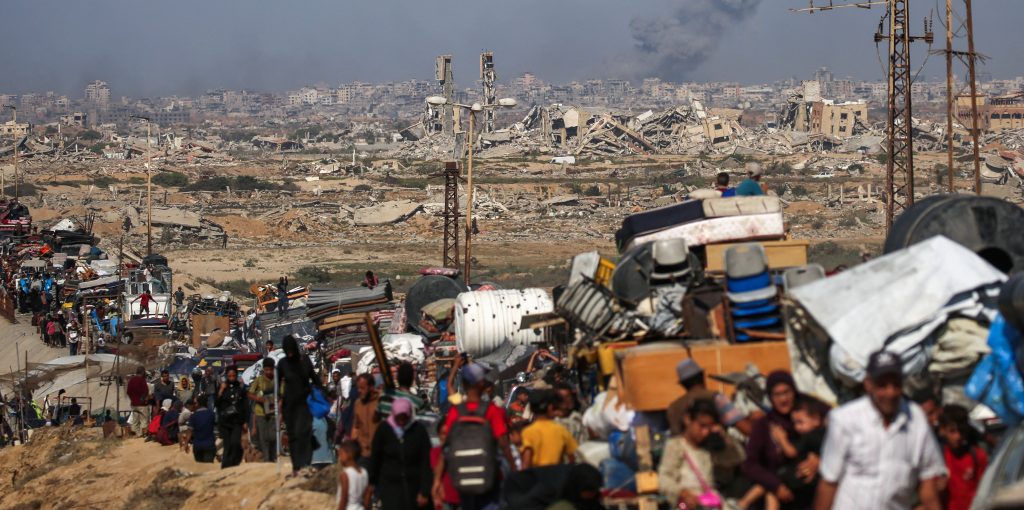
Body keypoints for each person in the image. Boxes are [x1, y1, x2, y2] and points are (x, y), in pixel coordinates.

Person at [815, 350, 946, 510]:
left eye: (896, 384)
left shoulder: (916, 419)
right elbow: (829, 482)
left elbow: (927, 481)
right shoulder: (845, 420)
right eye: (882, 385)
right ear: (868, 384)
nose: (890, 393)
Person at [433, 363, 518, 510]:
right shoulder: (492, 411)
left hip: (464, 480)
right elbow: (504, 445)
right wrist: (514, 471)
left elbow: (446, 447)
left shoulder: (456, 412)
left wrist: (437, 480)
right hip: (490, 479)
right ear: (480, 384)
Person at [740, 396, 829, 510]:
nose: (797, 427)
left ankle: (742, 503)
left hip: (799, 475)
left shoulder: (810, 436)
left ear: (816, 420)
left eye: (801, 422)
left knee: (771, 485)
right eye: (795, 423)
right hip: (804, 478)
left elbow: (791, 452)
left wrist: (781, 439)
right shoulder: (823, 433)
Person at [743, 370, 800, 506]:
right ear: (770, 397)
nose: (783, 399)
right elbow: (750, 465)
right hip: (775, 490)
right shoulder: (762, 425)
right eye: (777, 394)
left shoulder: (803, 418)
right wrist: (775, 485)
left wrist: (815, 460)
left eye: (787, 392)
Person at [367, 398, 432, 510]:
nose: (401, 421)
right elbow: (376, 457)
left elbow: (426, 461)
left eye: (404, 417)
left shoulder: (418, 430)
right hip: (390, 487)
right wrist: (371, 482)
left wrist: (425, 491)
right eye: (399, 417)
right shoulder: (384, 429)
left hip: (414, 487)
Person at [658, 399, 722, 508]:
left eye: (709, 428)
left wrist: (724, 437)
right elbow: (664, 479)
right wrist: (683, 493)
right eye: (702, 426)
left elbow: (737, 458)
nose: (705, 432)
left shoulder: (708, 449)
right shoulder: (676, 446)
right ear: (687, 420)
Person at [279, 334, 320, 475]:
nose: (289, 353)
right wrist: (278, 402)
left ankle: (306, 463)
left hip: (304, 404)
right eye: (287, 350)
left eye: (291, 349)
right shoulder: (283, 363)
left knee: (304, 433)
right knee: (293, 435)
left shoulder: (304, 360)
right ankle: (296, 466)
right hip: (289, 406)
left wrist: (323, 394)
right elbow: (278, 386)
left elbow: (315, 379)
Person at [938, 405, 987, 510]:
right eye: (952, 431)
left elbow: (985, 489)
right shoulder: (938, 458)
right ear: (942, 431)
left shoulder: (978, 455)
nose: (958, 436)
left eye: (961, 431)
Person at [521, 389, 578, 468]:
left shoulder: (528, 432)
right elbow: (572, 456)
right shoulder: (560, 429)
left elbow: (526, 462)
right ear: (550, 408)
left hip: (539, 477)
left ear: (531, 410)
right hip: (559, 474)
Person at [248, 358, 280, 462]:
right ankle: (266, 459)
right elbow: (250, 393)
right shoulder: (259, 380)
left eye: (270, 370)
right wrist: (259, 399)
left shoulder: (276, 381)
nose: (268, 372)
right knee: (263, 437)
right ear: (264, 369)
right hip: (260, 413)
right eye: (266, 369)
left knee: (273, 436)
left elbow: (282, 395)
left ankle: (272, 456)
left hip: (273, 413)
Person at [216, 365, 248, 469]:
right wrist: (221, 391)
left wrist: (245, 421)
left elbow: (245, 405)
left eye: (233, 376)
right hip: (225, 422)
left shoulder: (240, 387)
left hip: (236, 421)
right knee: (227, 445)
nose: (232, 378)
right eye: (229, 376)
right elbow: (217, 404)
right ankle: (226, 466)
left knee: (235, 443)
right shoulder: (222, 387)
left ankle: (234, 464)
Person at [430, 421, 462, 510]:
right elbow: (436, 473)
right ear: (438, 435)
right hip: (445, 497)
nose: (446, 437)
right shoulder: (435, 452)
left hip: (462, 496)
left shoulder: (461, 450)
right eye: (443, 434)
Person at [352, 373, 381, 460]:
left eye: (362, 388)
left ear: (371, 387)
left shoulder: (381, 401)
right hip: (363, 453)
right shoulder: (358, 404)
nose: (359, 391)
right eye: (358, 388)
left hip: (379, 452)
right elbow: (355, 427)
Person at [337, 440, 369, 510]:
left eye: (341, 454)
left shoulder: (346, 474)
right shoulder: (364, 472)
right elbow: (367, 497)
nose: (339, 457)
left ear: (349, 454)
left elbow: (344, 500)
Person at [554, 383, 588, 447]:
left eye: (570, 396)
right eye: (566, 397)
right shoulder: (555, 423)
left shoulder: (577, 416)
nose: (570, 399)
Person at [189, 394, 217, 463]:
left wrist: (186, 443)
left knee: (199, 468)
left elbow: (190, 431)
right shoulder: (212, 414)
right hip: (209, 445)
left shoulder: (193, 416)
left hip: (197, 445)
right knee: (208, 468)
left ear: (198, 403)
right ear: (207, 403)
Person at [127, 366, 150, 436]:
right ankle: (144, 434)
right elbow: (145, 391)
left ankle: (137, 435)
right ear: (143, 372)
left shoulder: (131, 380)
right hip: (142, 404)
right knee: (144, 419)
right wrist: (142, 399)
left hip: (133, 404)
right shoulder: (142, 380)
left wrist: (132, 399)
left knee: (135, 420)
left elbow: (128, 391)